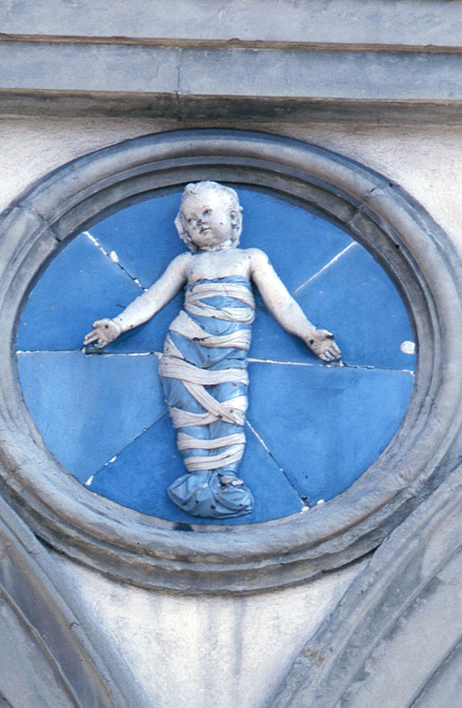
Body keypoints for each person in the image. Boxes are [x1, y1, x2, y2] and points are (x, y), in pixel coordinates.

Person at [84, 181, 340, 519]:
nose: (200, 222)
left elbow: (282, 303)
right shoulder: (186, 263)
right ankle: (197, 477)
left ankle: (226, 478)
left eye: (207, 212)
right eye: (191, 219)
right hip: (184, 348)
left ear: (233, 218)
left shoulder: (250, 258)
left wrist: (311, 334)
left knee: (230, 408)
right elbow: (152, 299)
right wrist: (117, 325)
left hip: (229, 354)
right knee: (187, 413)